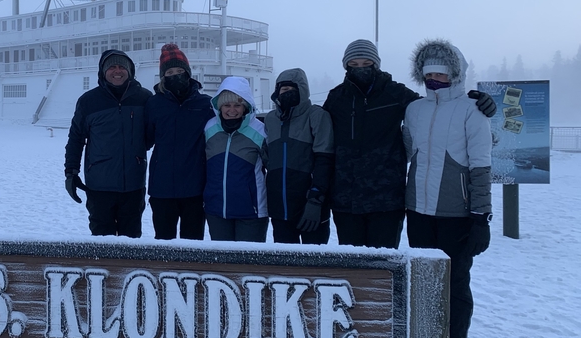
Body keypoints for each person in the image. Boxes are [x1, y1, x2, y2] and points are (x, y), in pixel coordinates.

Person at [323, 39, 498, 248]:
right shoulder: (336, 98)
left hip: (386, 201)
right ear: (346, 66)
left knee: (384, 270)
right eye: (354, 65)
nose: (361, 69)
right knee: (354, 270)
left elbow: (438, 108)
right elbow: (320, 136)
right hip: (345, 200)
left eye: (366, 63)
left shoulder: (396, 94)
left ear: (376, 64)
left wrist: (482, 105)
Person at [403, 38, 492, 338]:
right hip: (419, 211)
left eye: (441, 74)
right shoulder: (414, 110)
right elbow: (407, 150)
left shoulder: (472, 110)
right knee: (424, 280)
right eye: (428, 75)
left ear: (455, 74)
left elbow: (481, 166)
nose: (434, 80)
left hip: (457, 212)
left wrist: (480, 217)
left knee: (456, 281)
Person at [64, 50, 152, 237]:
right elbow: (76, 138)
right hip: (99, 185)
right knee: (102, 244)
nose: (117, 71)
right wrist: (71, 172)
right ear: (103, 71)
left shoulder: (144, 98)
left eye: (122, 67)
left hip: (133, 185)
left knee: (132, 240)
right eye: (112, 67)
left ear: (130, 71)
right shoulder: (89, 101)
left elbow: (152, 135)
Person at [143, 44, 214, 240]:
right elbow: (147, 138)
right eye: (170, 71)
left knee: (192, 246)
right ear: (163, 76)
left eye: (180, 71)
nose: (175, 75)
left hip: (195, 188)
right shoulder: (154, 104)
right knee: (164, 244)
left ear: (188, 72)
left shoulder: (206, 104)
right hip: (162, 188)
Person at [262, 68, 334, 244]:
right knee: (286, 267)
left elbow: (325, 160)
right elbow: (266, 158)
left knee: (315, 265)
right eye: (284, 90)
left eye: (293, 90)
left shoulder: (316, 115)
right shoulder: (270, 119)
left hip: (311, 207)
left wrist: (316, 200)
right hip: (281, 208)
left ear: (303, 90)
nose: (288, 94)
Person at [203, 76, 269, 242]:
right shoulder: (209, 128)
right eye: (226, 105)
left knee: (249, 266)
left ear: (245, 106)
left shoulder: (260, 131)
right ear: (219, 106)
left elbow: (272, 167)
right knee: (222, 266)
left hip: (251, 212)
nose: (232, 110)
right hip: (217, 210)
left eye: (237, 105)